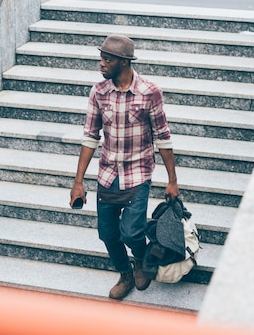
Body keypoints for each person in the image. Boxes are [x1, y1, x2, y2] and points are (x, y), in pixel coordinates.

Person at [70, 34, 179, 301]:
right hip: (108, 174)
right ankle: (125, 272)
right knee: (107, 234)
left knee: (131, 231)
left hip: (138, 173)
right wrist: (78, 181)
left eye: (107, 59)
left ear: (124, 62)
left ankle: (140, 259)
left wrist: (172, 180)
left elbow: (163, 138)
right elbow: (90, 137)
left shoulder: (149, 92)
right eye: (101, 58)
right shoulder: (99, 92)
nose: (101, 64)